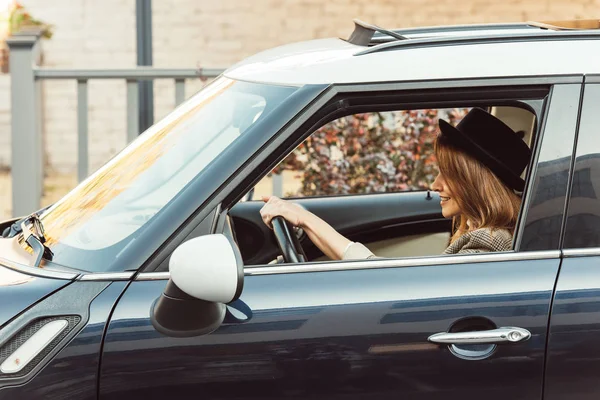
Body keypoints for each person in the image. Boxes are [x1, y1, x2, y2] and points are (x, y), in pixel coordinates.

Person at [260, 107, 532, 260]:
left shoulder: (488, 242)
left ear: (475, 183)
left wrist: (306, 219)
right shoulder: (479, 235)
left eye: (447, 174)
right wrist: (305, 220)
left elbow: (388, 284)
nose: (435, 184)